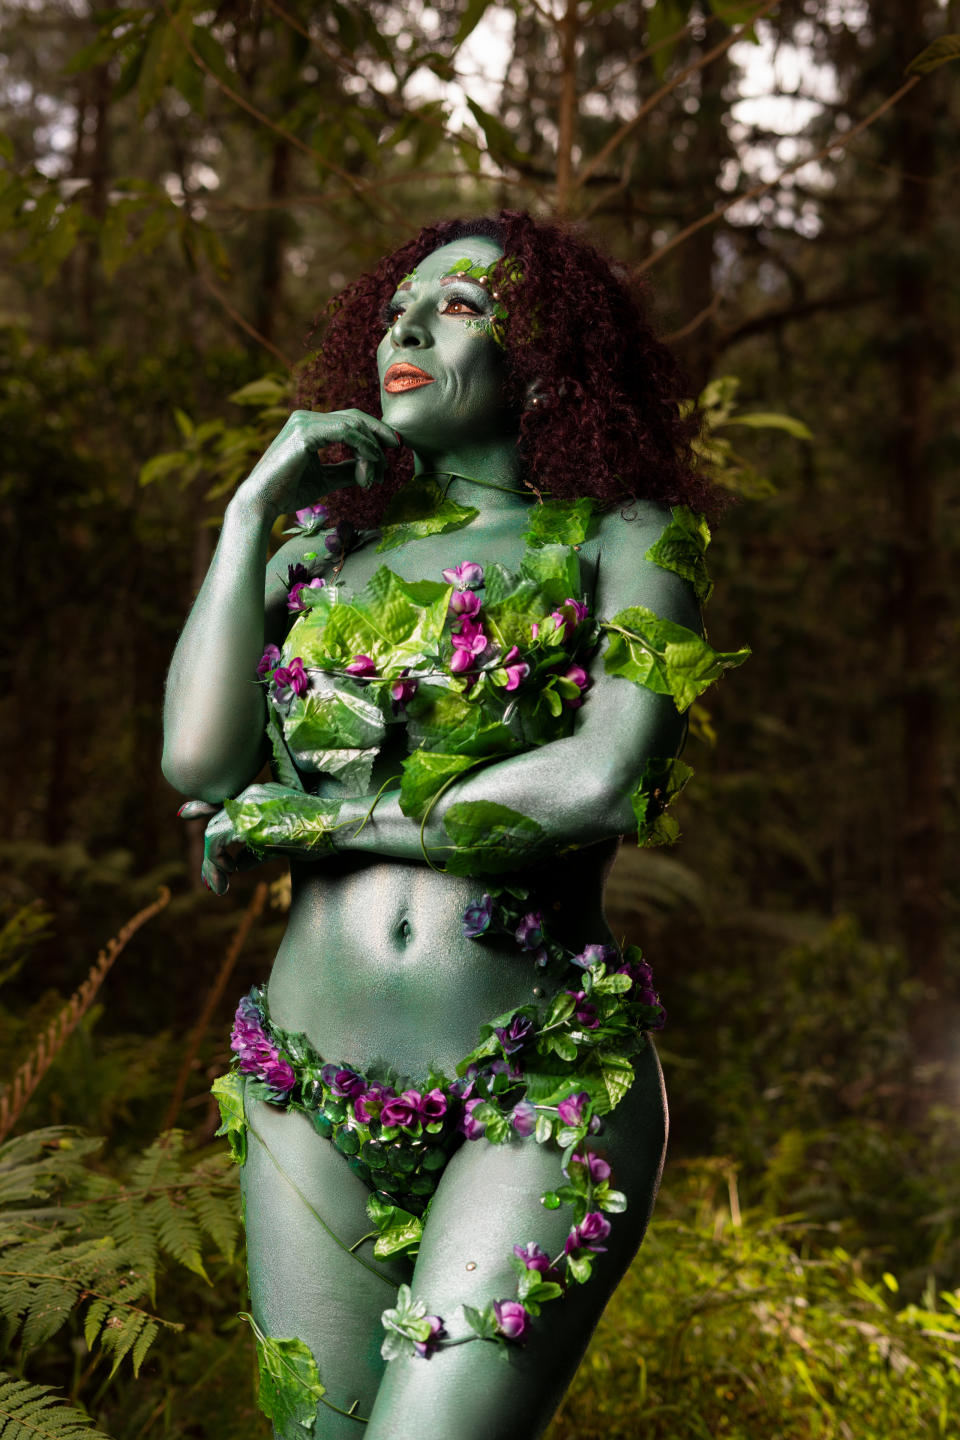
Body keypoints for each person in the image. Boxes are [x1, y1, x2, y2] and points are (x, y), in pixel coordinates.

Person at [162, 211, 738, 1439]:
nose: (408, 333)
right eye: (395, 313)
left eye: (460, 308)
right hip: (306, 1091)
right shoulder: (315, 557)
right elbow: (198, 763)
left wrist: (327, 827)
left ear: (547, 361)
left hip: (540, 1087)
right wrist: (247, 515)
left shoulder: (631, 537)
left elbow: (602, 779)